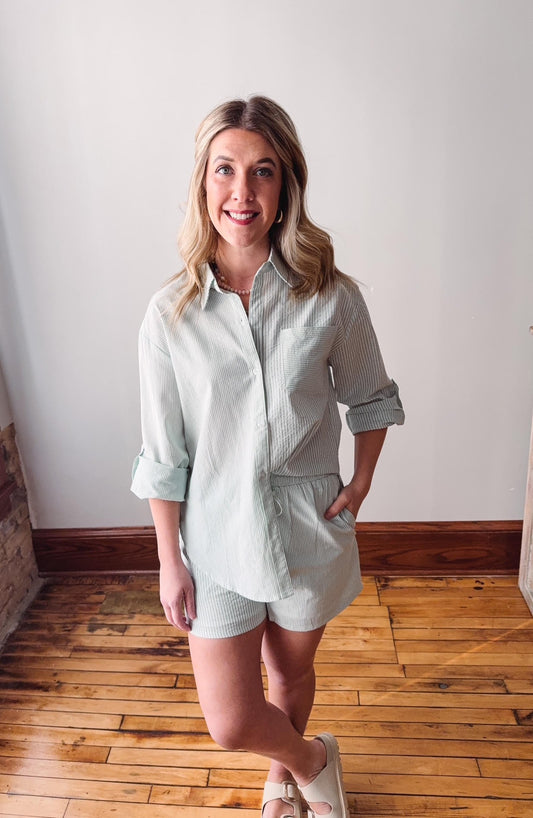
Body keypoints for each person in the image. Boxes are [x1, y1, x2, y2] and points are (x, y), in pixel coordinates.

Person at [131, 95, 404, 818]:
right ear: (202, 181)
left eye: (262, 172)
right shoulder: (170, 315)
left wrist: (363, 482)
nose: (241, 192)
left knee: (289, 678)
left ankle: (281, 778)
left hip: (306, 527)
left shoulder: (332, 299)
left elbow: (372, 399)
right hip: (214, 533)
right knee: (228, 721)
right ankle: (311, 759)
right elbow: (164, 451)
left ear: (286, 185)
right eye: (224, 170)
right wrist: (169, 558)